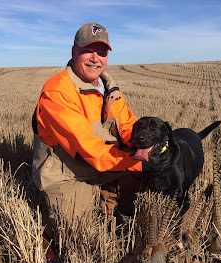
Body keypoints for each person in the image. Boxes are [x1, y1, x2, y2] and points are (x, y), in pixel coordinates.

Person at [31, 23, 143, 246]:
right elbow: (87, 148)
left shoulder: (109, 89)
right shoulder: (57, 91)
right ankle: (46, 214)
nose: (95, 58)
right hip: (67, 174)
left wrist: (149, 144)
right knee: (78, 239)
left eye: (101, 53)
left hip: (102, 166)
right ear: (74, 52)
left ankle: (105, 199)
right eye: (88, 51)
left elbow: (128, 127)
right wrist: (138, 161)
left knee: (151, 181)